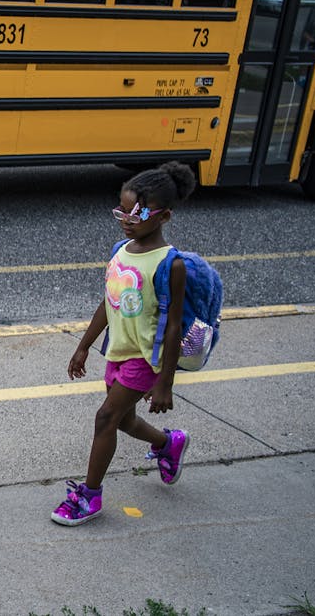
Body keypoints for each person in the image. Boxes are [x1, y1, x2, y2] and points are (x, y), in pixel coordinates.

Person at [52, 162, 196, 526]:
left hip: (145, 358)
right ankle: (168, 443)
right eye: (123, 210)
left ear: (164, 216)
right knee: (124, 421)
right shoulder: (121, 250)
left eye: (138, 213)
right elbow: (108, 301)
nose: (128, 220)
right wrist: (84, 345)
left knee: (105, 418)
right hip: (117, 352)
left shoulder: (169, 264)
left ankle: (89, 496)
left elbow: (174, 325)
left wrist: (165, 381)